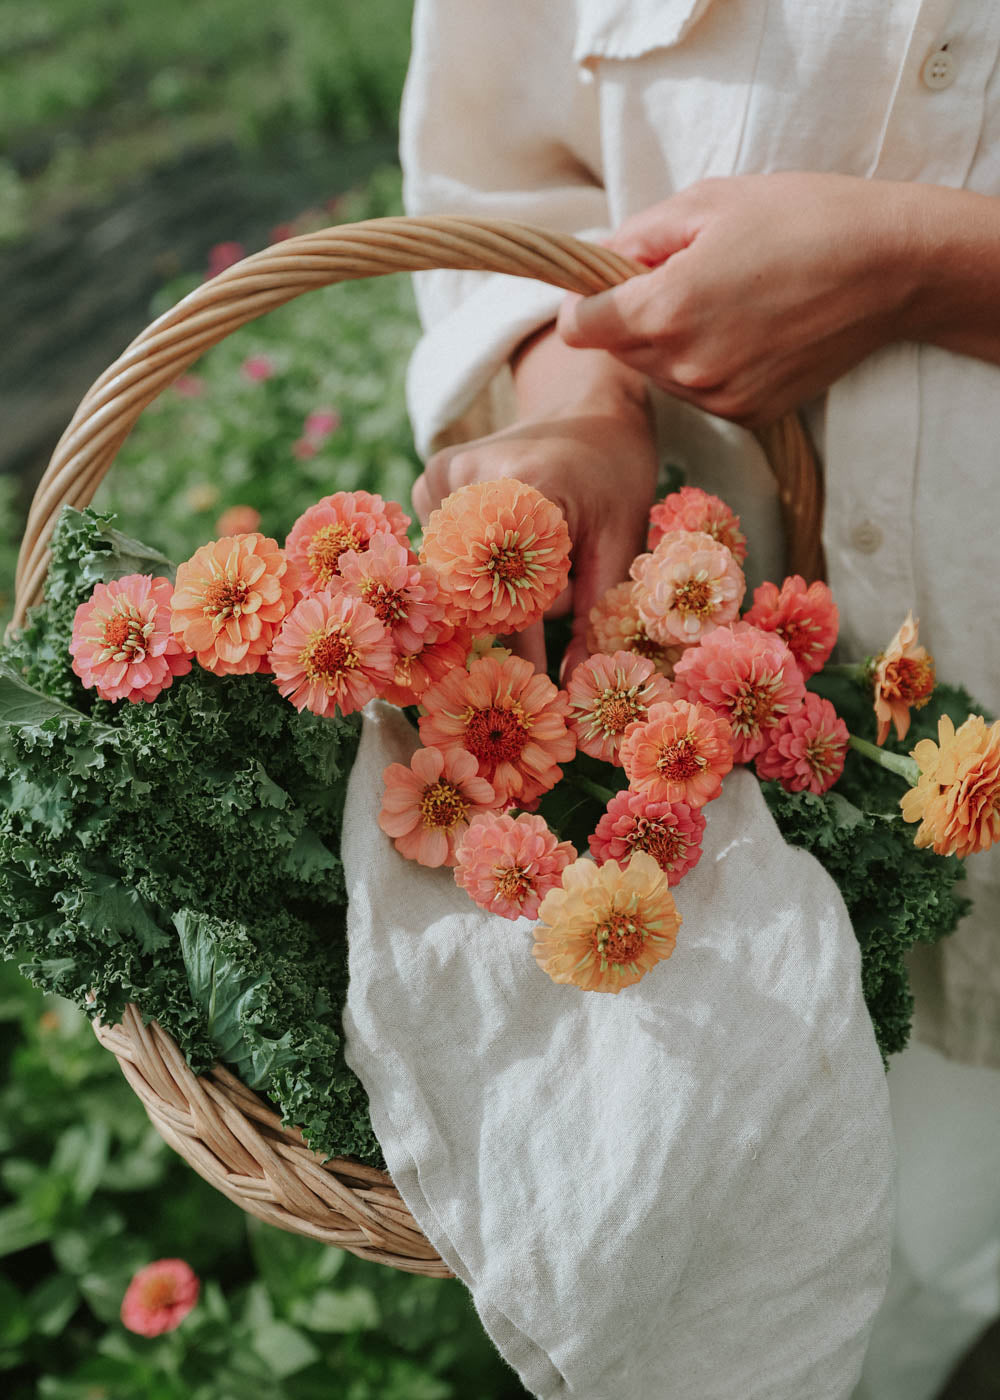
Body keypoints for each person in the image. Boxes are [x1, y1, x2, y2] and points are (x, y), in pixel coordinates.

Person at [399, 2, 1000, 1396]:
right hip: (713, 803)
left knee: (948, 1246)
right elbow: (510, 178)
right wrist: (583, 408)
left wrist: (931, 270)